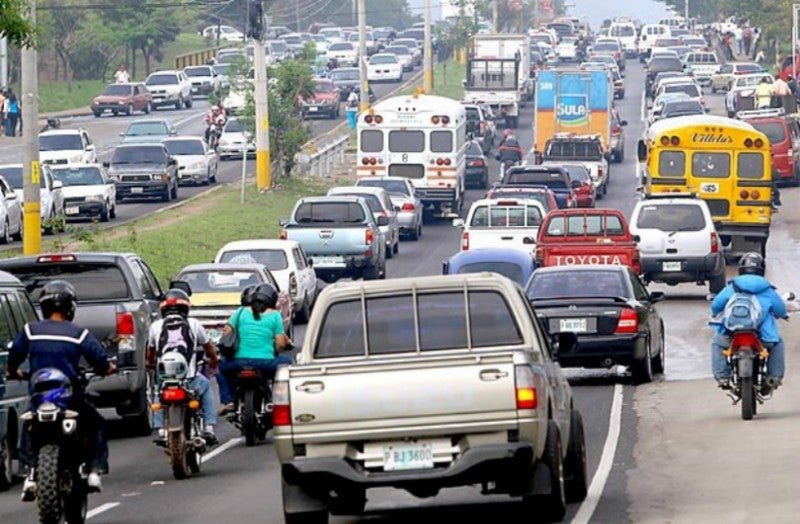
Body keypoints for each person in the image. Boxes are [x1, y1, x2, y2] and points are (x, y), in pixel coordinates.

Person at [7, 281, 116, 500]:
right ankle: (94, 471)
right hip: (70, 398)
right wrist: (108, 368)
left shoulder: (30, 330)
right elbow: (100, 361)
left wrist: (14, 372)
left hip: (40, 398)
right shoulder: (78, 334)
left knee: (29, 423)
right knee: (97, 424)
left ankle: (29, 474)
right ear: (70, 307)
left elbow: (14, 358)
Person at [147, 289, 219, 445]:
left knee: (159, 391)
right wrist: (213, 359)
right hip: (190, 380)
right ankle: (208, 427)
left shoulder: (156, 326)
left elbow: (151, 352)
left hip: (165, 380)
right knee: (206, 386)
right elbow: (208, 347)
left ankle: (161, 429)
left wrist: (150, 365)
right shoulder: (194, 324)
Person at [710, 253, 787, 391]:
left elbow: (716, 306)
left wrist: (715, 313)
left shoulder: (732, 287)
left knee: (717, 343)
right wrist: (783, 315)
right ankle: (774, 377)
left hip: (732, 332)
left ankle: (722, 376)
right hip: (761, 336)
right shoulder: (767, 289)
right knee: (776, 344)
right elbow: (780, 310)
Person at [216, 283, 293, 415]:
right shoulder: (275, 316)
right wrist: (274, 350)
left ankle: (228, 401)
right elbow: (280, 344)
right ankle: (280, 399)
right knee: (289, 364)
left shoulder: (240, 311)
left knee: (220, 368)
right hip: (266, 363)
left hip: (239, 362)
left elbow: (227, 331)